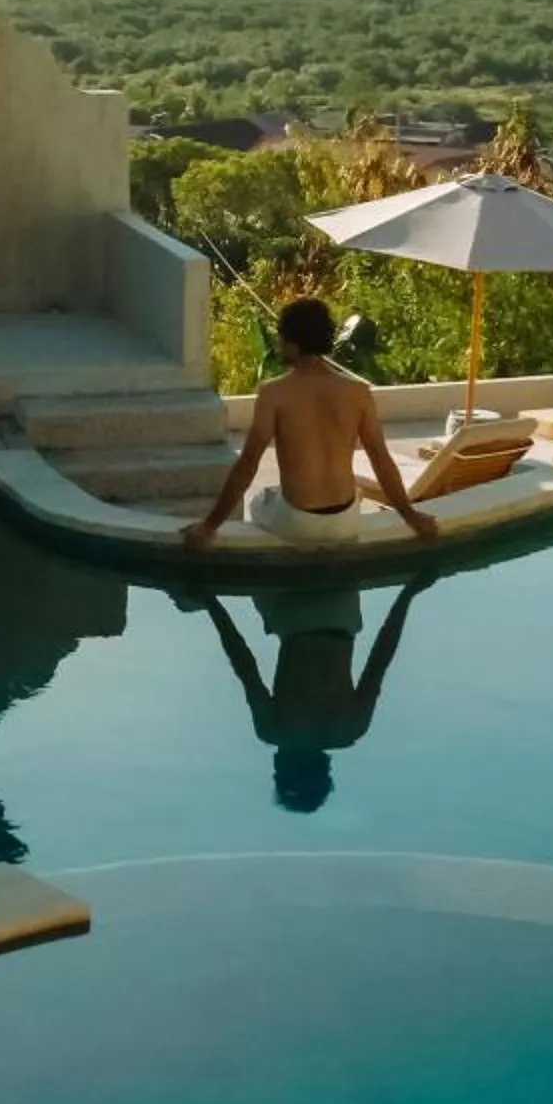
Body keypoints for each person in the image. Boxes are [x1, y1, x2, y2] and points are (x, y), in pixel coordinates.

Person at [182, 294, 438, 548]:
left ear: (294, 343)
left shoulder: (274, 392)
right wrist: (411, 517)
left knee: (260, 500)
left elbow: (248, 465)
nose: (279, 343)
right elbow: (381, 460)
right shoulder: (357, 392)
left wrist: (208, 526)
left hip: (298, 522)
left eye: (282, 338)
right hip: (346, 520)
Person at [202, 572, 423, 811]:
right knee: (188, 600)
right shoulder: (273, 730)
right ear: (284, 771)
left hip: (342, 609)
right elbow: (243, 662)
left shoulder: (350, 729)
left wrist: (409, 593)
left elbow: (381, 656)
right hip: (292, 615)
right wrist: (209, 601)